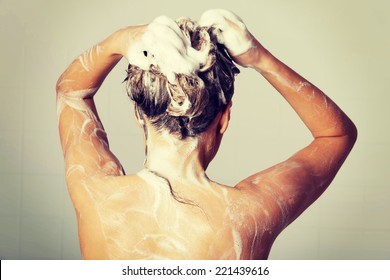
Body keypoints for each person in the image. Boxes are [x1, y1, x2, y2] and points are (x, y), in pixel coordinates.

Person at [56, 9, 357, 260]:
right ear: (224, 118)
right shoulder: (250, 214)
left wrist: (120, 39)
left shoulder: (95, 194)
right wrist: (259, 58)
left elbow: (71, 91)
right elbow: (336, 135)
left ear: (139, 115)